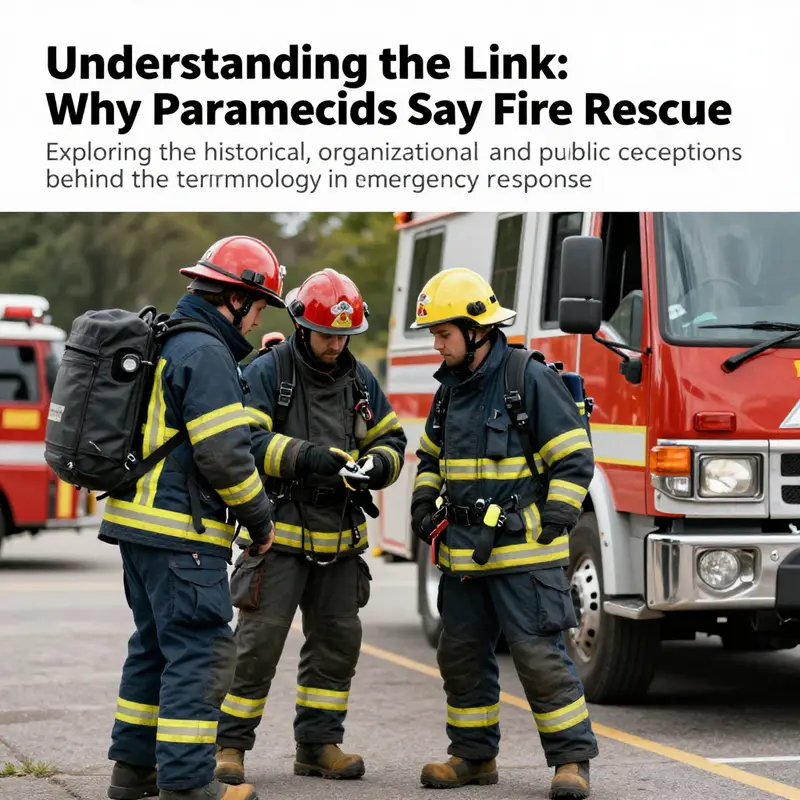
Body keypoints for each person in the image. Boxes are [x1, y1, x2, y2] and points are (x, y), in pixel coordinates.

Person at [102, 235, 286, 800]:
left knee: (153, 646)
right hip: (183, 534)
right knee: (201, 651)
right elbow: (224, 456)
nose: (256, 323)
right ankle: (188, 782)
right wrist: (260, 521)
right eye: (258, 308)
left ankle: (132, 772)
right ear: (234, 298)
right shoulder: (204, 353)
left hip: (137, 527)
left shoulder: (169, 339)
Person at [408, 268, 599, 799]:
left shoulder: (527, 378)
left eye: (442, 334)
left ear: (476, 329)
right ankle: (473, 756)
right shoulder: (449, 391)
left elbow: (573, 459)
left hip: (524, 555)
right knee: (461, 655)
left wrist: (556, 520)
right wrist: (424, 500)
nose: (436, 345)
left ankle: (571, 761)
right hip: (465, 560)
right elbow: (430, 454)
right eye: (434, 335)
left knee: (539, 658)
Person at [214, 268, 407, 786]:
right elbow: (246, 441)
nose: (336, 343)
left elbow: (392, 440)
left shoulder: (361, 379)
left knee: (337, 646)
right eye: (327, 334)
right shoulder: (269, 371)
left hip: (341, 540)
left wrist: (379, 466)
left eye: (345, 335)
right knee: (256, 648)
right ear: (302, 325)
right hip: (277, 536)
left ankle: (320, 745)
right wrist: (309, 458)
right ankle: (228, 747)